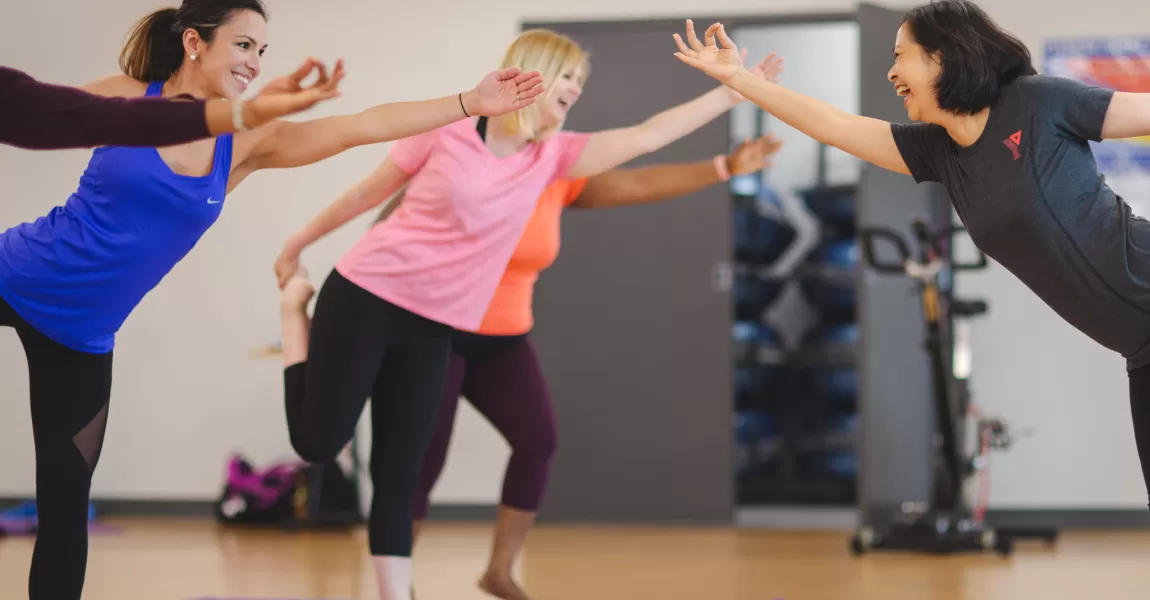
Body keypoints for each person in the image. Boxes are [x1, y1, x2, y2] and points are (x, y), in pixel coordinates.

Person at [670, 2, 1150, 599]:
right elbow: (835, 125)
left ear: (945, 55)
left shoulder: (1039, 102)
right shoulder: (938, 155)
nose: (892, 70)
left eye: (902, 54)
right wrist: (741, 82)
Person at [0, 1, 544, 598]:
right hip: (15, 271)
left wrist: (468, 102)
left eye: (263, 51)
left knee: (65, 498)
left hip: (83, 334)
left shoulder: (246, 140)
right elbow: (33, 117)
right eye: (243, 45)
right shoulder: (125, 96)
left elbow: (359, 125)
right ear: (193, 43)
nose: (255, 62)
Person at [271, 28, 783, 600]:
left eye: (580, 84)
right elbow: (368, 195)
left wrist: (732, 91)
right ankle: (296, 316)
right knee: (318, 444)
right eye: (568, 78)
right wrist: (297, 244)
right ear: (532, 73)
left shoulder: (553, 159)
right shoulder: (447, 133)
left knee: (398, 475)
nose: (576, 91)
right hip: (367, 292)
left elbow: (646, 137)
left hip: (435, 324)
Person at [395, 133, 782, 599]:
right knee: (419, 461)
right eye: (561, 93)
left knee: (537, 441)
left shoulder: (554, 172)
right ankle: (394, 585)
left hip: (504, 338)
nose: (564, 112)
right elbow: (392, 230)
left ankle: (498, 573)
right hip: (438, 332)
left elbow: (636, 184)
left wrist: (725, 166)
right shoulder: (462, 161)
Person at [1, 60, 340, 150]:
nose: (254, 64)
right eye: (244, 44)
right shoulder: (124, 86)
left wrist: (249, 112)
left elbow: (101, 118)